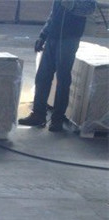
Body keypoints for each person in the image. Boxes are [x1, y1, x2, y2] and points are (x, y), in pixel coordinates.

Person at [18, 0, 92, 131]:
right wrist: (43, 35)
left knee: (62, 80)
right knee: (42, 77)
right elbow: (54, 14)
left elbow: (90, 8)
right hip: (53, 37)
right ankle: (38, 115)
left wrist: (72, 5)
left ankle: (57, 119)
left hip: (69, 39)